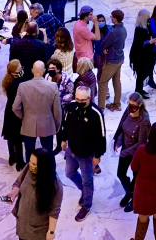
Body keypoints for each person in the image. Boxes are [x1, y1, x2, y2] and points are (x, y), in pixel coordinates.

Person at [58, 85, 106, 222]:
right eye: (77, 99)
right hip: (72, 149)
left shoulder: (96, 114)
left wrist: (98, 155)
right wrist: (63, 139)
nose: (78, 102)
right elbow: (65, 124)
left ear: (89, 98)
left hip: (87, 154)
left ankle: (86, 205)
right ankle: (86, 193)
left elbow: (101, 137)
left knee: (87, 180)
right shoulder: (72, 106)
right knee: (69, 173)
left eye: (82, 100)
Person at [5, 148, 63, 240]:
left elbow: (54, 211)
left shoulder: (55, 185)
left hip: (37, 231)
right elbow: (18, 183)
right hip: (23, 224)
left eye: (34, 164)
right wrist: (13, 193)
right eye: (30, 161)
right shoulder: (28, 168)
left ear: (43, 166)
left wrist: (51, 231)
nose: (30, 165)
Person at [13, 60, 62, 162]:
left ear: (32, 71)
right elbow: (57, 110)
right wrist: (57, 124)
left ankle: (29, 175)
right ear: (44, 71)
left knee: (29, 152)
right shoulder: (52, 86)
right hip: (47, 124)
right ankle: (50, 174)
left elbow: (15, 107)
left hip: (28, 123)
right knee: (48, 152)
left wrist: (23, 116)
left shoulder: (23, 86)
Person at [113, 92, 151, 211]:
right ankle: (129, 192)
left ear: (139, 105)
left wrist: (126, 152)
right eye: (129, 104)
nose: (130, 107)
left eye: (133, 105)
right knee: (121, 173)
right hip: (125, 148)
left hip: (136, 153)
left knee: (137, 177)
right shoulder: (127, 112)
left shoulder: (144, 121)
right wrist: (118, 142)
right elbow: (122, 129)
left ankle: (134, 197)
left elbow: (141, 144)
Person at [98, 9, 126, 111]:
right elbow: (120, 44)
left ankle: (100, 108)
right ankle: (117, 104)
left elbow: (103, 44)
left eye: (112, 16)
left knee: (102, 83)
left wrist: (106, 48)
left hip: (112, 61)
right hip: (120, 58)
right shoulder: (123, 29)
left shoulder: (113, 32)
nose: (111, 18)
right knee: (116, 81)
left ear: (115, 18)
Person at [2, 60, 26, 170]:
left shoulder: (8, 81)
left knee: (10, 136)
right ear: (13, 72)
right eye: (19, 69)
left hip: (9, 112)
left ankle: (12, 157)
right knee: (17, 139)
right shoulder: (16, 85)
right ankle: (20, 162)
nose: (21, 70)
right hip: (15, 114)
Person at [130, 9, 156, 97]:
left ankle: (140, 90)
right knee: (140, 74)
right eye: (148, 16)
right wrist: (149, 42)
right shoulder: (139, 29)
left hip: (145, 54)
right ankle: (138, 91)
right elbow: (138, 43)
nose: (149, 17)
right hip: (138, 56)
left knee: (143, 73)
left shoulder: (147, 25)